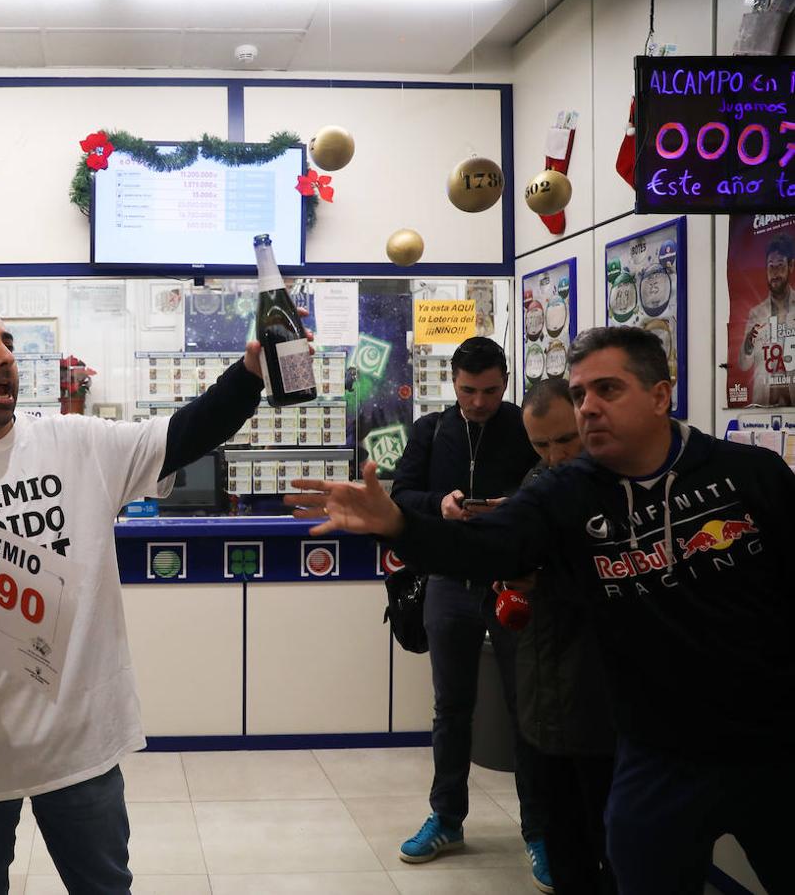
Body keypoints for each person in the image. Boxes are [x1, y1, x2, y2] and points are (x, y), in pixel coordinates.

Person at [287, 326, 795, 895]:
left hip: (773, 744)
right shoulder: (567, 494)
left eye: (608, 389)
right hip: (657, 754)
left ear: (660, 394)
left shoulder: (750, 475)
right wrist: (400, 525)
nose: (589, 409)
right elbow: (484, 546)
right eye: (581, 395)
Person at [0, 292, 283, 894]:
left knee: (103, 888)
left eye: (7, 345)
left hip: (78, 737)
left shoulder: (76, 444)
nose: (4, 358)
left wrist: (252, 371)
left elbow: (187, 433)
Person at [388, 336, 550, 890]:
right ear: (452, 382)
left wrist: (515, 505)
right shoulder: (432, 431)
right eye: (467, 391)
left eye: (489, 391)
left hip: (514, 584)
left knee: (526, 707)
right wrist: (440, 505)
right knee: (451, 709)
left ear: (505, 381)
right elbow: (402, 494)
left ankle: (540, 830)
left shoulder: (526, 425)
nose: (479, 402)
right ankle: (447, 820)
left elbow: (554, 487)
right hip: (449, 583)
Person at [506, 379, 617, 895]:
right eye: (540, 445)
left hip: (607, 697)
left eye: (562, 440)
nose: (554, 456)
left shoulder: (619, 485)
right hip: (545, 687)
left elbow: (615, 579)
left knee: (614, 836)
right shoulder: (537, 485)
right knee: (564, 835)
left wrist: (546, 580)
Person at [738, 234, 795, 406]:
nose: (775, 273)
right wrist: (748, 342)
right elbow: (743, 364)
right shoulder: (756, 314)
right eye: (771, 267)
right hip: (763, 408)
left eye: (780, 266)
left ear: (791, 266)